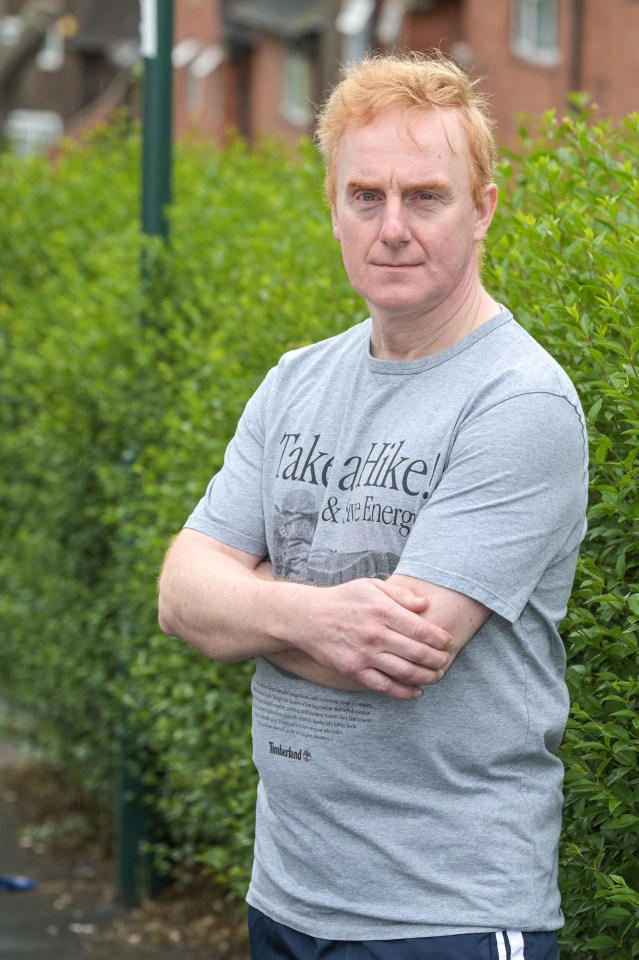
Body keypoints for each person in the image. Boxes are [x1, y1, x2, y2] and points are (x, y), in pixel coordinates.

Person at [158, 52, 588, 960]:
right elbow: (179, 594)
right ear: (332, 207)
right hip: (286, 894)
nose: (391, 228)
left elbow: (395, 655)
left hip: (446, 915)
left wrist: (248, 602)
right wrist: (311, 612)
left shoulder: (518, 401)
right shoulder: (295, 382)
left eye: (425, 197)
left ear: (482, 209)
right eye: (366, 196)